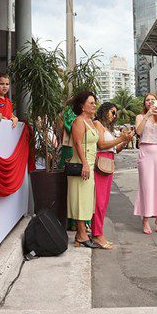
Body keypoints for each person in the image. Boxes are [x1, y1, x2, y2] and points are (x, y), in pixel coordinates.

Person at [91, 102, 132, 250]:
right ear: (104, 111)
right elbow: (101, 145)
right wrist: (120, 139)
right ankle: (97, 235)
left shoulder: (108, 128)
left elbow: (115, 149)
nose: (114, 116)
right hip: (101, 162)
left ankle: (97, 232)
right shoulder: (97, 124)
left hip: (108, 162)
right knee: (99, 202)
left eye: (116, 113)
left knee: (104, 201)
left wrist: (125, 140)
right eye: (112, 112)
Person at [134, 93, 157, 234]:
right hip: (145, 151)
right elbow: (138, 131)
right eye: (147, 100)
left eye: (152, 100)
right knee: (146, 186)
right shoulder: (140, 116)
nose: (150, 102)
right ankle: (145, 219)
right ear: (145, 103)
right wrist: (147, 115)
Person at [67, 90, 100, 248]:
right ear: (82, 105)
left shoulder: (90, 120)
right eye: (91, 103)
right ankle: (80, 234)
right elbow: (78, 143)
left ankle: (82, 233)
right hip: (81, 164)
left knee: (86, 200)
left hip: (90, 164)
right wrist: (85, 163)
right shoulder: (79, 121)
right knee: (80, 199)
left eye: (94, 102)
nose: (94, 105)